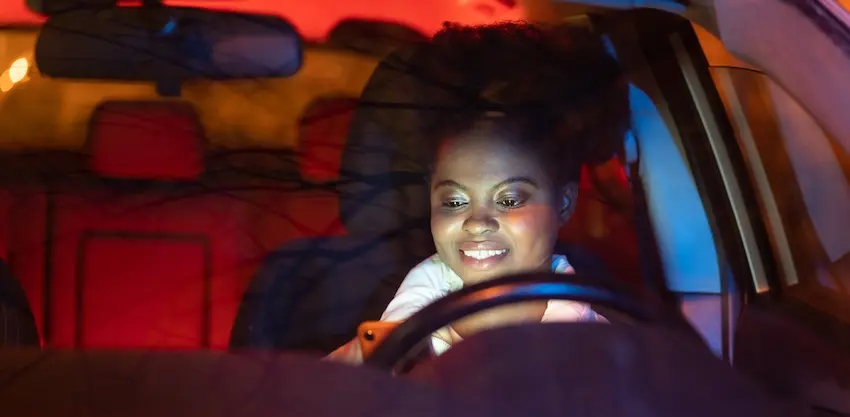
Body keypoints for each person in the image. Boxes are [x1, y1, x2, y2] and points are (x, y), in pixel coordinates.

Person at [327, 21, 631, 364]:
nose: (477, 222)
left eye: (509, 200)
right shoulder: (365, 360)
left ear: (563, 204)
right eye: (455, 201)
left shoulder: (611, 356)